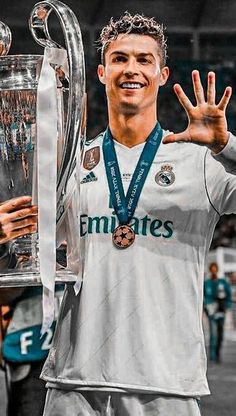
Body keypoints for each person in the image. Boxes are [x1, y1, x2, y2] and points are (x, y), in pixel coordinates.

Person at [1, 11, 236, 416]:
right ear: (101, 72)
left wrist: (226, 144)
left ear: (163, 74)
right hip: (74, 384)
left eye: (145, 59)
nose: (132, 68)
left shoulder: (202, 164)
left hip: (166, 388)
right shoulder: (67, 167)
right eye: (120, 58)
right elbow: (26, 268)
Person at [204, 262, 232, 363]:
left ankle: (218, 353)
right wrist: (207, 307)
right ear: (210, 270)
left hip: (221, 312)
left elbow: (229, 295)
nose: (213, 271)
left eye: (215, 269)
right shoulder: (207, 283)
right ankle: (212, 356)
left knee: (220, 334)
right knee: (213, 334)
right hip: (212, 313)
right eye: (212, 269)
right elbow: (204, 298)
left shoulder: (223, 282)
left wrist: (227, 306)